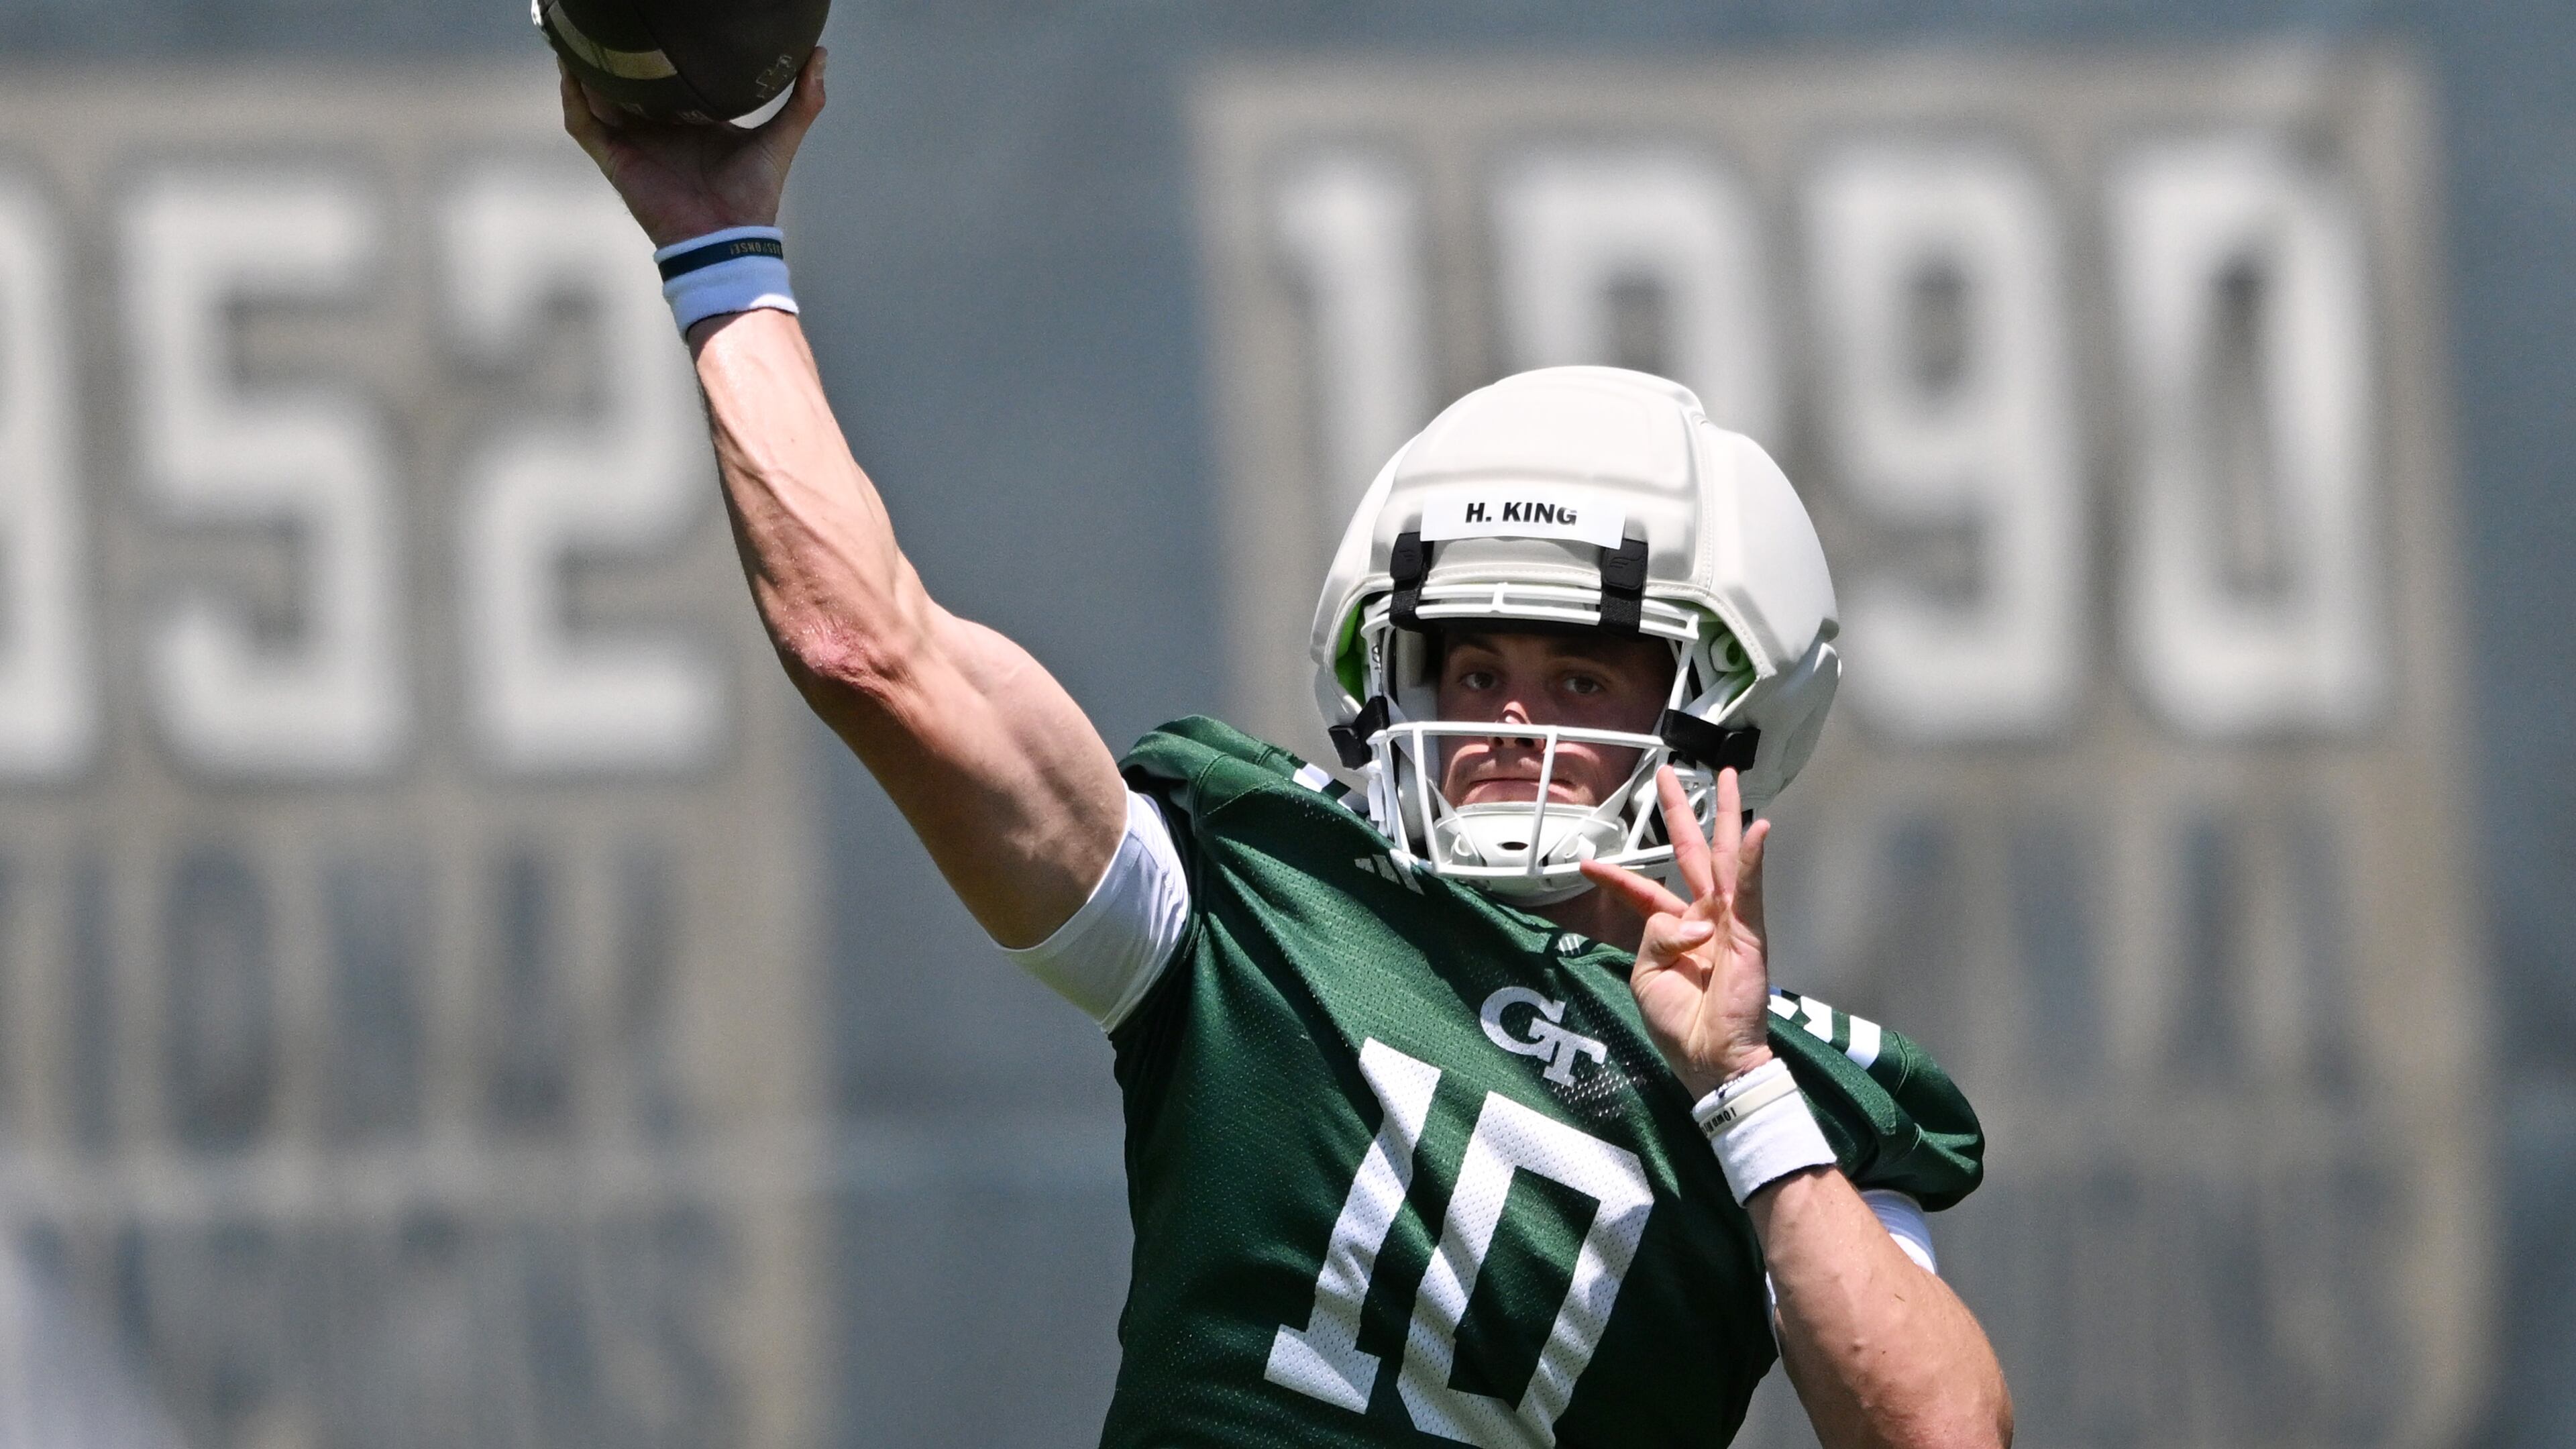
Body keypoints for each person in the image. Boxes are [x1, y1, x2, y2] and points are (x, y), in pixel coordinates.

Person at [561, 51, 2012, 1449]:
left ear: (1724, 716)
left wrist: (1739, 1092)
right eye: (1472, 668)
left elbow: (1943, 1434)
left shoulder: (1781, 1090)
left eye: (1577, 675)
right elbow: (872, 654)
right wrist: (717, 243)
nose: (1509, 719)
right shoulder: (1257, 899)